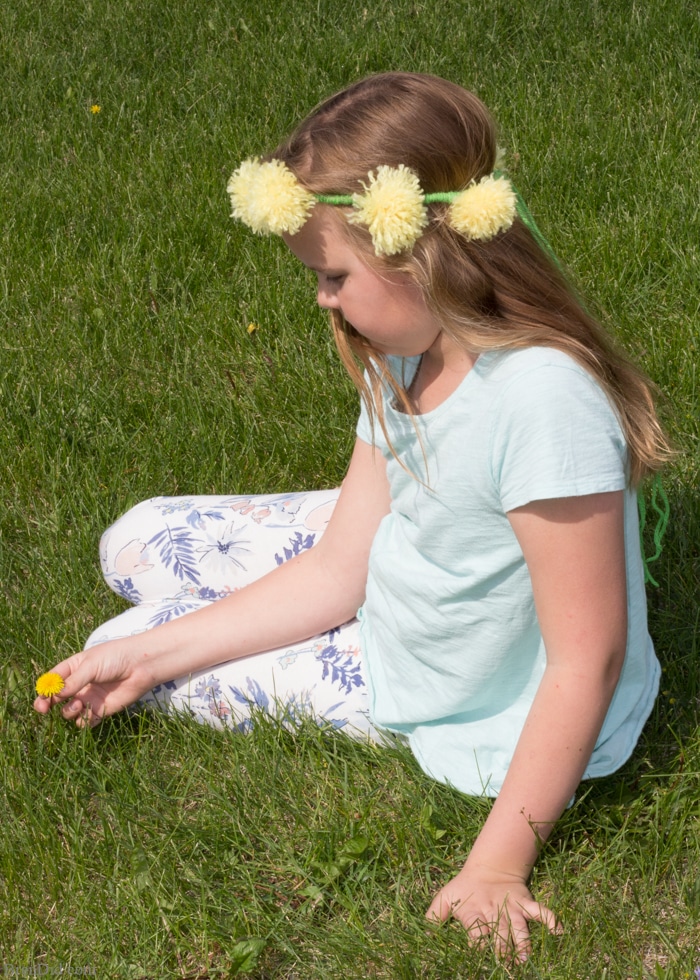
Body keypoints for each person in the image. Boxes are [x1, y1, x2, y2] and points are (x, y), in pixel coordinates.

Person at [34, 72, 670, 960]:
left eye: (334, 275)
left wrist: (497, 865)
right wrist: (152, 653)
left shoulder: (544, 405)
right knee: (136, 544)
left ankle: (159, 638)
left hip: (457, 691)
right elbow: (341, 568)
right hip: (400, 582)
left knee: (128, 629)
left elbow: (584, 659)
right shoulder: (410, 350)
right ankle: (154, 636)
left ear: (420, 251)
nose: (323, 299)